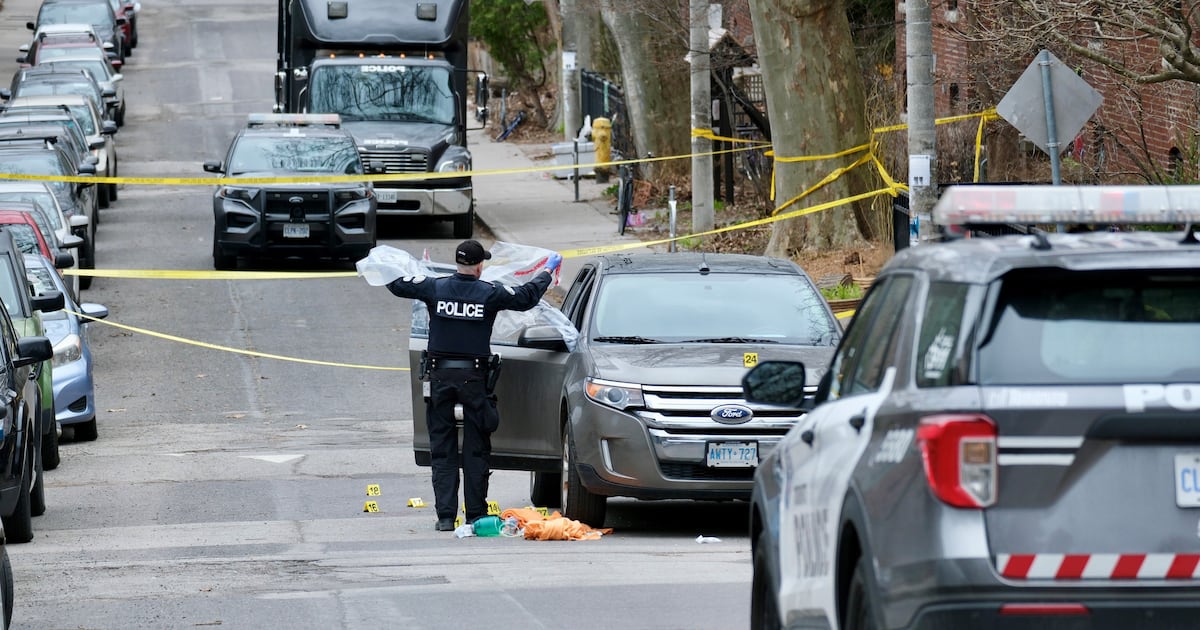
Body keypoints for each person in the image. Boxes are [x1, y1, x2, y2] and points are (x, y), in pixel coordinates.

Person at [387, 240, 562, 531]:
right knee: (476, 448)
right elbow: (525, 297)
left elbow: (398, 285)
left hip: (439, 380)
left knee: (442, 449)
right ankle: (475, 516)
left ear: (458, 263)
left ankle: (445, 517)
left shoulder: (434, 288)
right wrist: (546, 273)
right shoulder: (488, 293)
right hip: (474, 381)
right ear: (480, 266)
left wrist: (387, 265)